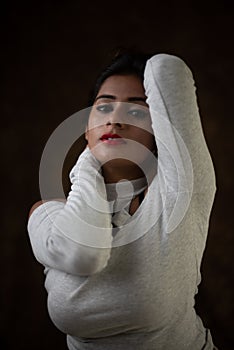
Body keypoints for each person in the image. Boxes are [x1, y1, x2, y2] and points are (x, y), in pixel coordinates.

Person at [27, 50, 218, 349]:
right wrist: (88, 166)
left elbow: (166, 69)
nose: (115, 120)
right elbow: (82, 253)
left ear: (159, 130)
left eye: (136, 111)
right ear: (86, 127)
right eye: (103, 108)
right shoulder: (49, 216)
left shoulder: (180, 194)